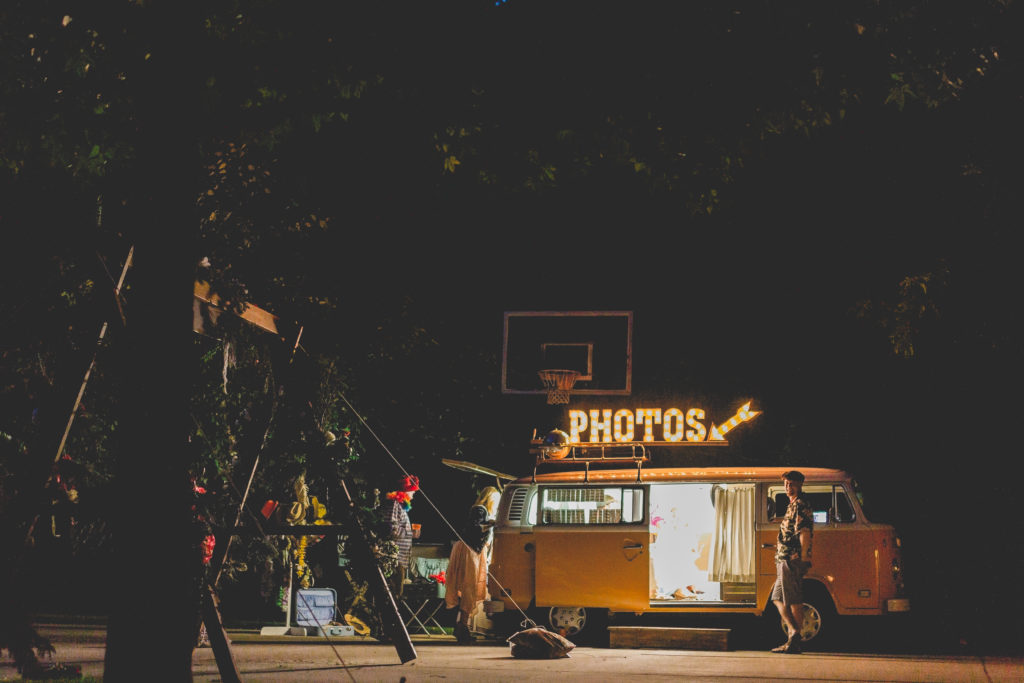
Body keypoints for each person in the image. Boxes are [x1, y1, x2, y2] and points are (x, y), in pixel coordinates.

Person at [445, 487, 499, 644]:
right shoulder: (479, 510)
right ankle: (462, 627)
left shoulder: (483, 512)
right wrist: (492, 523)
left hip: (474, 551)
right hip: (469, 550)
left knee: (471, 588)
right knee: (470, 587)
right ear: (489, 498)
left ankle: (462, 626)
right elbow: (476, 528)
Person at [771, 470, 814, 654]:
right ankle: (794, 633)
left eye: (791, 483)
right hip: (783, 558)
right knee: (777, 597)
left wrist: (803, 558)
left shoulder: (800, 505)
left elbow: (804, 533)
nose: (788, 487)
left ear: (800, 484)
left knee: (794, 599)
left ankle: (794, 642)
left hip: (792, 558)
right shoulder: (792, 504)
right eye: (786, 483)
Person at [384, 474, 419, 601]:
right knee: (394, 592)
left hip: (401, 557)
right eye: (412, 492)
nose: (413, 495)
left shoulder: (402, 506)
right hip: (395, 557)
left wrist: (412, 534)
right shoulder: (395, 504)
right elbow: (390, 528)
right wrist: (409, 533)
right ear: (405, 492)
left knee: (398, 591)